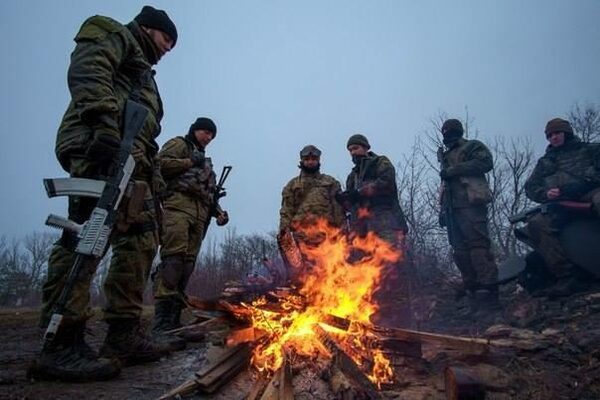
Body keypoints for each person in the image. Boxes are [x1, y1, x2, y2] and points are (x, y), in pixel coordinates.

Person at [30, 6, 178, 382]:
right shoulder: (114, 34)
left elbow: (147, 130)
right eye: (166, 40)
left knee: (141, 240)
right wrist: (102, 122)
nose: (167, 49)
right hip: (101, 147)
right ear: (148, 28)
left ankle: (123, 334)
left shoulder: (145, 74)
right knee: (86, 238)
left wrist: (153, 176)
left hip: (135, 164)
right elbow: (88, 68)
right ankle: (61, 342)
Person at [151, 117, 229, 342]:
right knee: (173, 261)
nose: (208, 137)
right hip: (177, 208)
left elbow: (207, 193)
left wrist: (219, 213)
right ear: (195, 130)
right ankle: (161, 325)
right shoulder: (180, 145)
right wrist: (188, 162)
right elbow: (159, 164)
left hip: (199, 214)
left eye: (211, 135)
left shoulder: (205, 161)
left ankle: (174, 321)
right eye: (205, 132)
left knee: (187, 265)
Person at [523, 117, 600, 296]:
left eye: (557, 133)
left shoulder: (590, 150)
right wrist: (545, 194)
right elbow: (531, 187)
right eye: (550, 136)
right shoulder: (545, 163)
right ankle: (567, 276)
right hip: (562, 204)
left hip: (591, 193)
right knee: (537, 224)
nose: (554, 138)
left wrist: (585, 184)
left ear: (566, 133)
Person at [340, 134, 410, 327]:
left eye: (356, 148)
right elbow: (353, 205)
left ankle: (399, 316)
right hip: (363, 230)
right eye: (350, 150)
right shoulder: (352, 176)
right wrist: (346, 200)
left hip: (385, 222)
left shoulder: (380, 162)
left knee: (390, 265)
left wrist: (360, 192)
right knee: (367, 270)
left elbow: (386, 184)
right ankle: (377, 313)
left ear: (365, 147)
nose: (353, 152)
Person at [438, 119, 499, 310]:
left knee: (478, 246)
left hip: (470, 203)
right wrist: (442, 209)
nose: (449, 133)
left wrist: (453, 170)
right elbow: (445, 185)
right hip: (452, 208)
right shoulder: (446, 155)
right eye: (446, 131)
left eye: (451, 130)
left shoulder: (472, 146)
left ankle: (488, 288)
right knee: (459, 250)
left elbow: (485, 162)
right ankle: (471, 286)